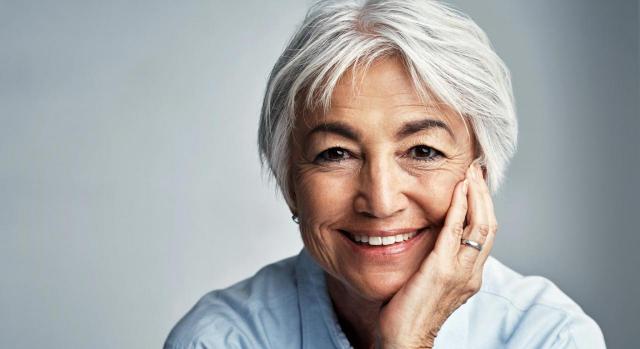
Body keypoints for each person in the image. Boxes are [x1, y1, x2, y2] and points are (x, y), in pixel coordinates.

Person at [164, 0, 606, 348]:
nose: (380, 200)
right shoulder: (220, 339)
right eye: (336, 153)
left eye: (422, 150)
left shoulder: (548, 336)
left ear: (481, 175)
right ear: (289, 183)